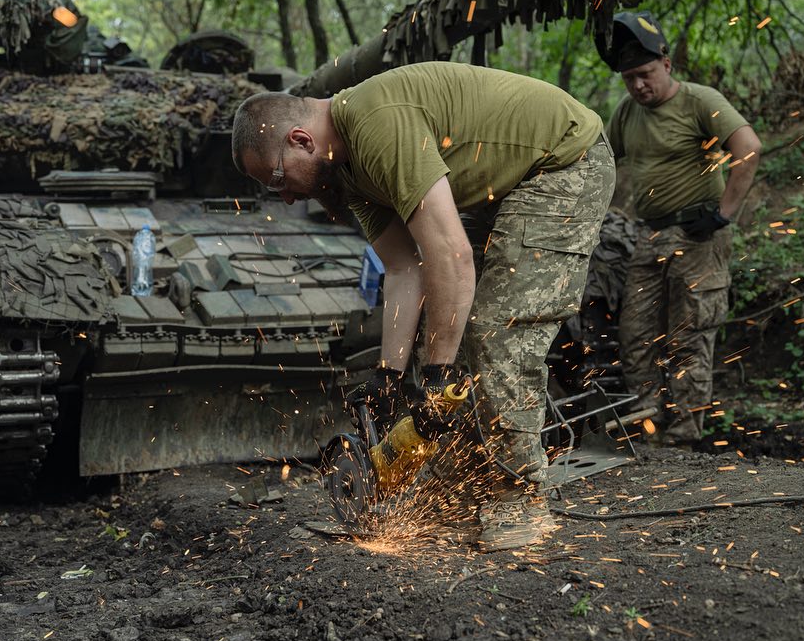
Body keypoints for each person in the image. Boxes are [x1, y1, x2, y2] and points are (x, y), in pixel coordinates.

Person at [231, 62, 614, 549]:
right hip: (513, 183)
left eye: (278, 180)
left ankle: (519, 498)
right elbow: (403, 268)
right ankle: (461, 485)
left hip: (566, 162)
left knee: (495, 331)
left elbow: (449, 255)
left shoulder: (375, 122)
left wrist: (437, 374)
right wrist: (389, 376)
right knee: (449, 337)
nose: (285, 197)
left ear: (303, 140)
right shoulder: (349, 174)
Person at [596, 11, 762, 446]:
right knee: (635, 334)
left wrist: (724, 214)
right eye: (629, 77)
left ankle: (686, 436)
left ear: (666, 65)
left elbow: (748, 148)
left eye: (645, 74)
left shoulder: (698, 100)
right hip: (647, 237)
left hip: (699, 234)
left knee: (690, 335)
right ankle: (648, 427)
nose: (638, 85)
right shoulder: (627, 112)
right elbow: (600, 161)